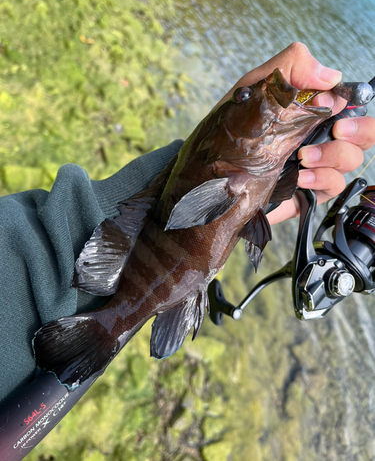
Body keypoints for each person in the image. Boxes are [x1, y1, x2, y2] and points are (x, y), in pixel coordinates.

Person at [1, 42, 374, 406]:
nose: (260, 91)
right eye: (243, 97)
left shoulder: (236, 174)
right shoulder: (231, 177)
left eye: (241, 97)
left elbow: (203, 207)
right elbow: (192, 210)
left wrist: (274, 189)